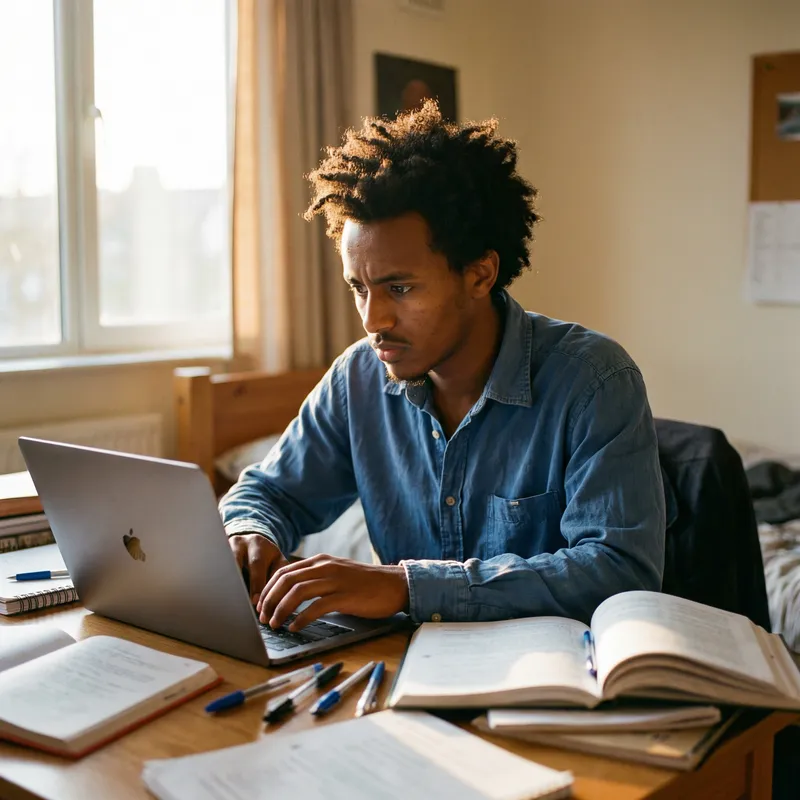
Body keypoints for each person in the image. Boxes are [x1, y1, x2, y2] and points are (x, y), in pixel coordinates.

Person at [222, 100, 665, 633]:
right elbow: (269, 492)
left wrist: (406, 587)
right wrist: (250, 532)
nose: (371, 319)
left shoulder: (595, 380)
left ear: (480, 275)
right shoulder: (357, 379)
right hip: (401, 674)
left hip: (547, 687)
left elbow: (618, 570)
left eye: (400, 288)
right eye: (358, 288)